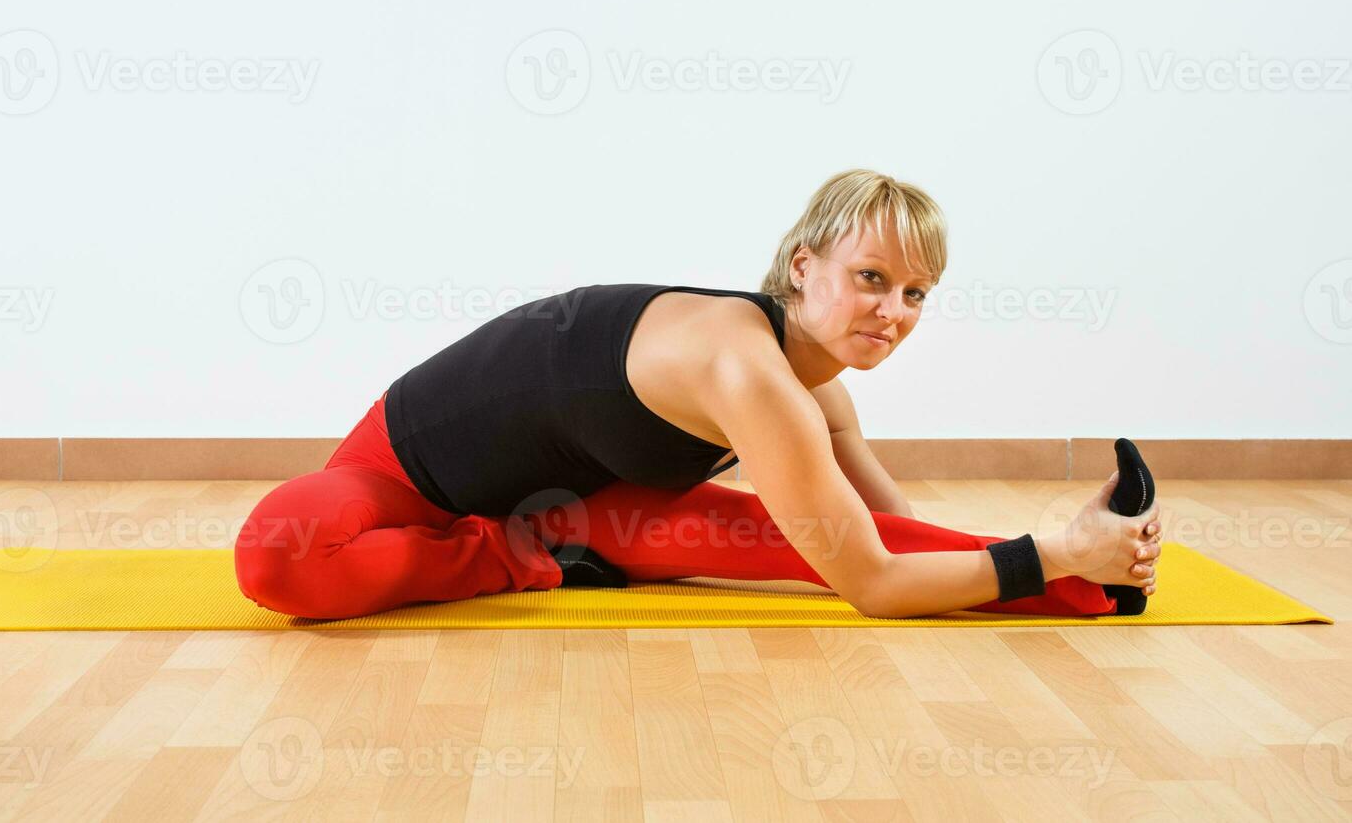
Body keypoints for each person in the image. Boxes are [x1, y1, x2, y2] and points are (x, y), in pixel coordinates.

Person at [234, 169, 1161, 620]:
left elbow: (880, 542)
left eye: (917, 293)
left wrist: (1069, 554)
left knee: (792, 543)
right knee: (275, 558)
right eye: (873, 277)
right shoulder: (747, 369)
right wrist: (1045, 549)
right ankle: (505, 562)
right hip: (400, 477)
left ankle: (1100, 584)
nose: (894, 310)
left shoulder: (817, 388)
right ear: (803, 267)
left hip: (580, 515)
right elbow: (875, 585)